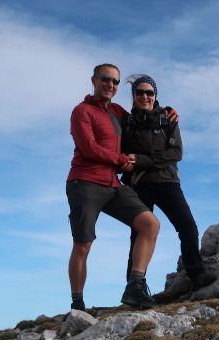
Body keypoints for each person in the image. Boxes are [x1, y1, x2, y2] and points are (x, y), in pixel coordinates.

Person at [66, 64, 161, 311]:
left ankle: (135, 288)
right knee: (83, 244)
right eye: (106, 79)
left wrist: (166, 111)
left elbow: (144, 114)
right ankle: (78, 304)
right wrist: (122, 161)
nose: (111, 85)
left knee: (150, 224)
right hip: (84, 182)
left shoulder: (118, 112)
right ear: (94, 80)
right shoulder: (82, 111)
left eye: (116, 81)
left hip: (114, 185)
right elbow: (89, 149)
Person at [121, 74, 215, 295]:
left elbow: (176, 153)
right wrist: (130, 162)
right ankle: (133, 287)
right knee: (138, 236)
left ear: (155, 96)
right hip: (139, 186)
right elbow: (122, 155)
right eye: (139, 92)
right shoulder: (125, 123)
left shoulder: (168, 120)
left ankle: (196, 275)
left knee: (188, 227)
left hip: (167, 183)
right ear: (133, 96)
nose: (145, 96)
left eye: (149, 92)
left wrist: (140, 160)